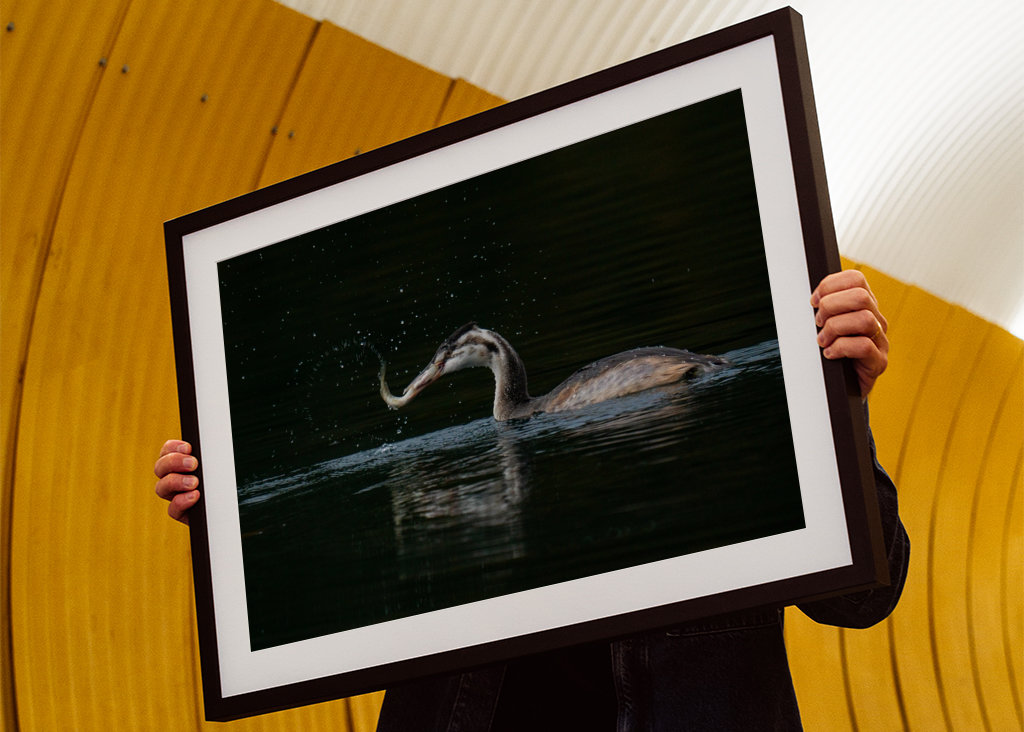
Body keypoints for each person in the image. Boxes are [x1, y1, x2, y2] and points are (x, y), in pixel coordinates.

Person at [155, 270, 909, 730]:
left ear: (489, 360)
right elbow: (333, 589)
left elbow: (865, 597)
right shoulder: (466, 539)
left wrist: (838, 403)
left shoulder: (654, 472)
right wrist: (236, 515)